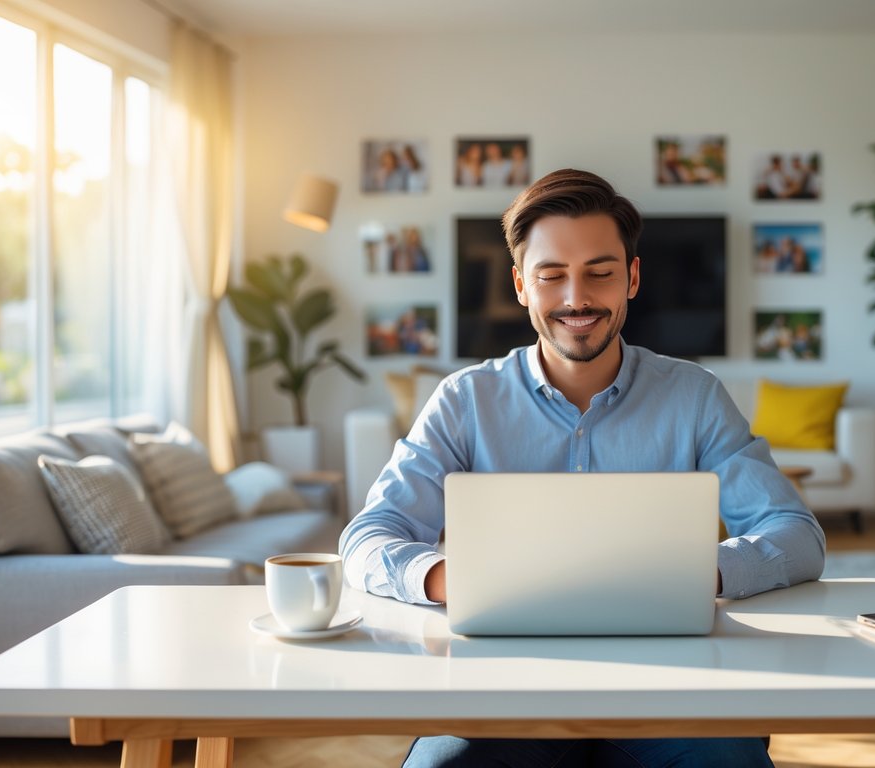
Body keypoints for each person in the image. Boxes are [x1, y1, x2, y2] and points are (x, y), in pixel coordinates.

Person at [340, 168, 825, 768]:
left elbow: (797, 535)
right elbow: (366, 538)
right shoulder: (465, 400)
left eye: (600, 272)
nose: (577, 298)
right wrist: (447, 577)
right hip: (500, 696)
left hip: (672, 691)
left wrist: (702, 571)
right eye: (552, 276)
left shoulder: (694, 396)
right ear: (521, 285)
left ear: (632, 279)